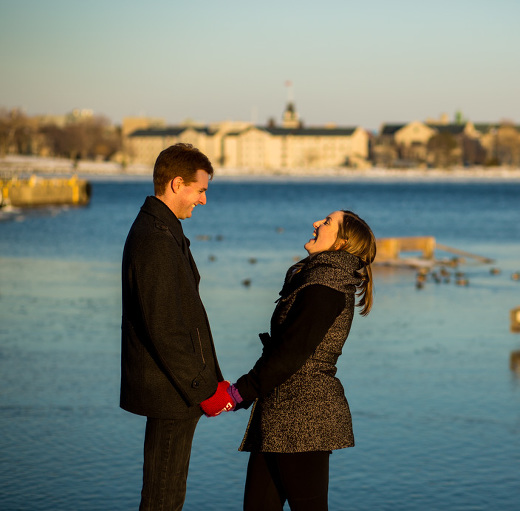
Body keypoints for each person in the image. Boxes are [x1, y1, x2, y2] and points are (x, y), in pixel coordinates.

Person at [200, 210, 376, 511]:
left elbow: (289, 354)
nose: (316, 223)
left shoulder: (326, 288)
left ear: (341, 243)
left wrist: (236, 394)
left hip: (304, 418)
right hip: (280, 415)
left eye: (327, 223)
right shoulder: (319, 279)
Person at [121, 142, 232, 510]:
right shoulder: (155, 239)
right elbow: (165, 329)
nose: (203, 200)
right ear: (176, 184)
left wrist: (208, 381)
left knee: (168, 494)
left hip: (178, 389)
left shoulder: (164, 232)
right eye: (200, 190)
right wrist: (203, 389)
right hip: (172, 392)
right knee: (162, 499)